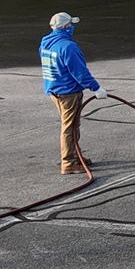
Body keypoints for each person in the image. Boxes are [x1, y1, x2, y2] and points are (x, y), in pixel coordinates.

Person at [40, 11, 106, 173]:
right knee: (69, 127)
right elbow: (80, 72)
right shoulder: (68, 47)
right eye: (70, 24)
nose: (72, 27)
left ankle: (75, 154)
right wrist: (96, 88)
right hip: (68, 92)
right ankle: (68, 162)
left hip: (54, 90)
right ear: (65, 27)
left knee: (72, 125)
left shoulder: (46, 42)